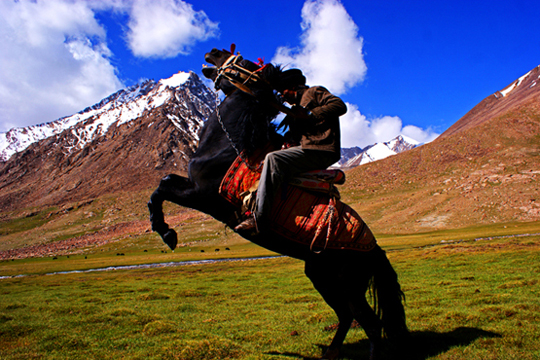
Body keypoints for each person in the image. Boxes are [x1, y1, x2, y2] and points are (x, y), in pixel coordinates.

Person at [234, 68, 347, 234]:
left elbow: (339, 105)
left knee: (274, 159)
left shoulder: (314, 92)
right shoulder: (295, 109)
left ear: (293, 86)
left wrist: (310, 114)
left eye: (283, 91)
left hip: (321, 150)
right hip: (307, 149)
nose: (283, 95)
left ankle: (260, 219)